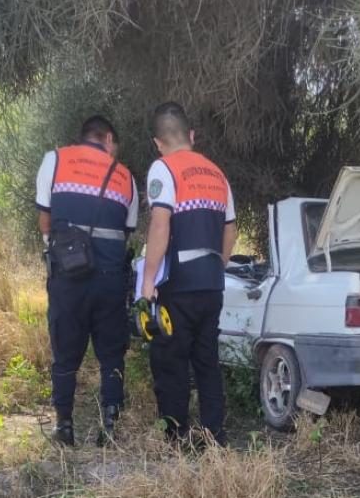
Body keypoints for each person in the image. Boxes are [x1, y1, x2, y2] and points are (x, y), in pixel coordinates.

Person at [35, 116, 138, 447]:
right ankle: (109, 428)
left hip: (68, 275)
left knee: (64, 353)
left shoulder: (56, 159)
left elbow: (45, 217)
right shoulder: (127, 178)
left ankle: (64, 426)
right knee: (111, 354)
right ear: (108, 138)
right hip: (110, 279)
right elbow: (126, 231)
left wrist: (62, 249)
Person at [140, 102, 237, 446]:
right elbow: (231, 229)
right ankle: (215, 437)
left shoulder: (163, 168)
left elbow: (161, 223)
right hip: (211, 284)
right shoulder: (217, 174)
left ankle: (175, 436)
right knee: (207, 362)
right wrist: (219, 266)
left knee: (171, 361)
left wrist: (148, 280)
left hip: (177, 284)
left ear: (158, 142)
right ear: (191, 136)